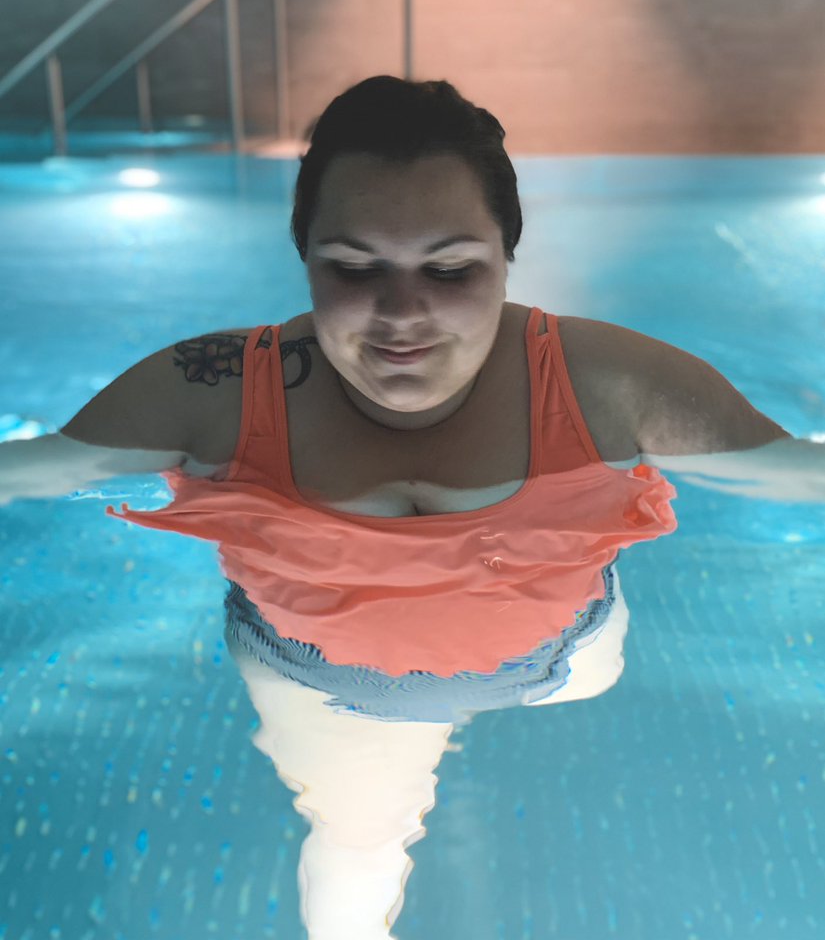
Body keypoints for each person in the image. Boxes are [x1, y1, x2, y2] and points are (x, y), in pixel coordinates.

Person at [2, 76, 815, 939]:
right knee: (356, 848)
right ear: (303, 253)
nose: (402, 316)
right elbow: (35, 472)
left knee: (566, 698)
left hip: (568, 660)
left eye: (451, 268)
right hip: (325, 683)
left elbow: (794, 475)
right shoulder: (213, 392)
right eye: (353, 268)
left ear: (509, 254)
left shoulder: (611, 384)